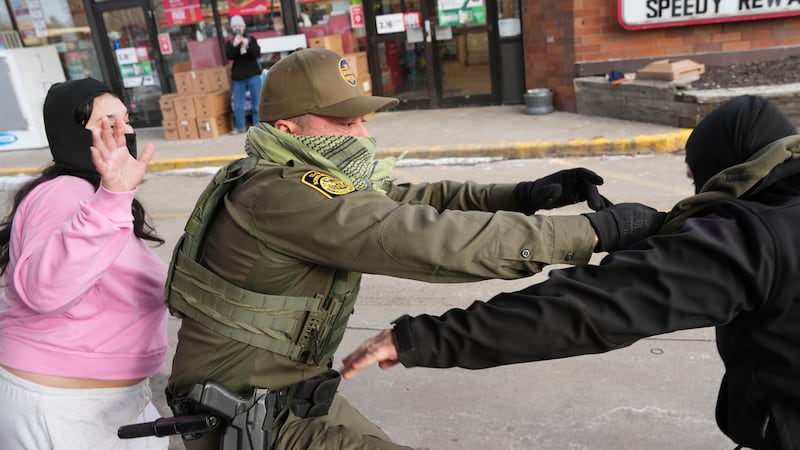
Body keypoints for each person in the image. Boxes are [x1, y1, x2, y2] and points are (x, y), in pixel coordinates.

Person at [164, 47, 664, 450]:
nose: (362, 134)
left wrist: (525, 194)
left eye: (360, 120)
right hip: (245, 415)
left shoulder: (289, 175)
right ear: (288, 130)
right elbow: (425, 237)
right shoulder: (283, 195)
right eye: (343, 123)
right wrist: (591, 234)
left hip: (287, 392)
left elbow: (413, 198)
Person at [340, 95, 800, 450]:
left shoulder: (755, 238)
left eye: (698, 178)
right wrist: (526, 195)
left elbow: (591, 309)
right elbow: (419, 197)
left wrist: (422, 338)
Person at [0, 78, 169, 448]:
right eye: (109, 123)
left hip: (110, 406)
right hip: (62, 409)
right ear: (73, 132)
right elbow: (45, 288)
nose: (126, 130)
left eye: (126, 119)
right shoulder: (64, 192)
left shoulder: (99, 197)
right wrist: (113, 198)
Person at [226, 15, 262, 134]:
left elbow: (256, 54)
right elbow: (229, 56)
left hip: (253, 74)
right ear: (232, 28)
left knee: (257, 102)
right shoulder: (230, 42)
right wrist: (235, 45)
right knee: (238, 104)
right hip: (238, 77)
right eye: (235, 26)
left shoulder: (252, 39)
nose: (237, 28)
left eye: (239, 26)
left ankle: (258, 127)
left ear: (244, 26)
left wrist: (248, 44)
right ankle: (240, 127)